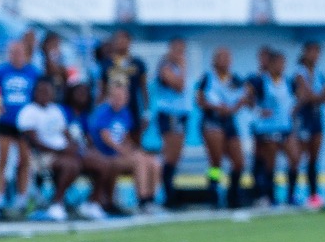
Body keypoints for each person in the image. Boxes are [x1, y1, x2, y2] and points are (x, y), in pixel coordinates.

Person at [0, 38, 42, 218]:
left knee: (24, 160)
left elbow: (42, 90)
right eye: (13, 52)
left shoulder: (33, 71)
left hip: (25, 123)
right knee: (2, 158)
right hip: (6, 121)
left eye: (19, 52)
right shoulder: (3, 70)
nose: (16, 56)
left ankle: (21, 198)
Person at [84, 80, 162, 216]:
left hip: (119, 154)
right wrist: (125, 151)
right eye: (116, 96)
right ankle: (143, 200)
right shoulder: (103, 112)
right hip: (106, 155)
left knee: (153, 161)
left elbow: (125, 138)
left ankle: (151, 199)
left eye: (122, 97)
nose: (119, 100)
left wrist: (134, 150)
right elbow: (106, 138)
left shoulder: (125, 113)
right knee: (139, 161)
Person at [16, 78, 83, 222]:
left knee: (96, 162)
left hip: (61, 152)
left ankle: (94, 203)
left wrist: (73, 146)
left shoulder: (56, 110)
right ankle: (57, 203)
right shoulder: (28, 112)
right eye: (41, 91)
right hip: (40, 156)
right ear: (35, 92)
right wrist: (60, 151)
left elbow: (66, 133)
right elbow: (33, 141)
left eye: (48, 91)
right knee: (70, 165)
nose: (44, 94)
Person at [196, 46, 250, 209]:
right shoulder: (208, 78)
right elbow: (200, 100)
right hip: (212, 121)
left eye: (228, 57)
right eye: (221, 57)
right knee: (216, 161)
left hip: (229, 121)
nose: (225, 61)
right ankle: (213, 191)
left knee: (239, 162)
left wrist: (233, 108)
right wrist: (216, 108)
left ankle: (233, 193)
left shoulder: (236, 79)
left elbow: (244, 98)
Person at [247, 47, 296, 207]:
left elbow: (295, 99)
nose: (282, 66)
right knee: (270, 163)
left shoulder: (288, 81)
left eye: (284, 63)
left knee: (294, 158)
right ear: (271, 64)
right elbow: (247, 98)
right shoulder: (260, 81)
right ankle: (269, 196)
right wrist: (258, 111)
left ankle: (291, 195)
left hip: (285, 126)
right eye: (279, 63)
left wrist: (294, 111)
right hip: (267, 128)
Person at [148, 37, 190, 208]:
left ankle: (169, 193)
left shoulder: (176, 66)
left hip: (180, 115)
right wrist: (183, 66)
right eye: (177, 49)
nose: (180, 53)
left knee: (176, 156)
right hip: (170, 114)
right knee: (170, 155)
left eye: (182, 50)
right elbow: (179, 86)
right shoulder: (166, 66)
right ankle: (166, 195)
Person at [290, 41, 325, 205]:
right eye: (311, 52)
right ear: (305, 53)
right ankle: (291, 194)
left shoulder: (320, 74)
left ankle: (313, 194)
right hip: (303, 117)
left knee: (314, 158)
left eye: (317, 52)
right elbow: (305, 96)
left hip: (316, 117)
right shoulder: (299, 73)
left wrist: (314, 97)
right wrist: (316, 97)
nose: (315, 56)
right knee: (297, 158)